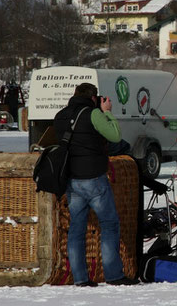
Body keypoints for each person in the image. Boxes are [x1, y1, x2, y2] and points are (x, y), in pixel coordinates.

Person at [53, 83, 139, 287]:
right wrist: (107, 113)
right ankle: (113, 275)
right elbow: (115, 136)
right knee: (109, 225)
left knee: (76, 229)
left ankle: (81, 278)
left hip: (72, 180)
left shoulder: (60, 115)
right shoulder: (93, 114)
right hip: (94, 178)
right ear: (93, 98)